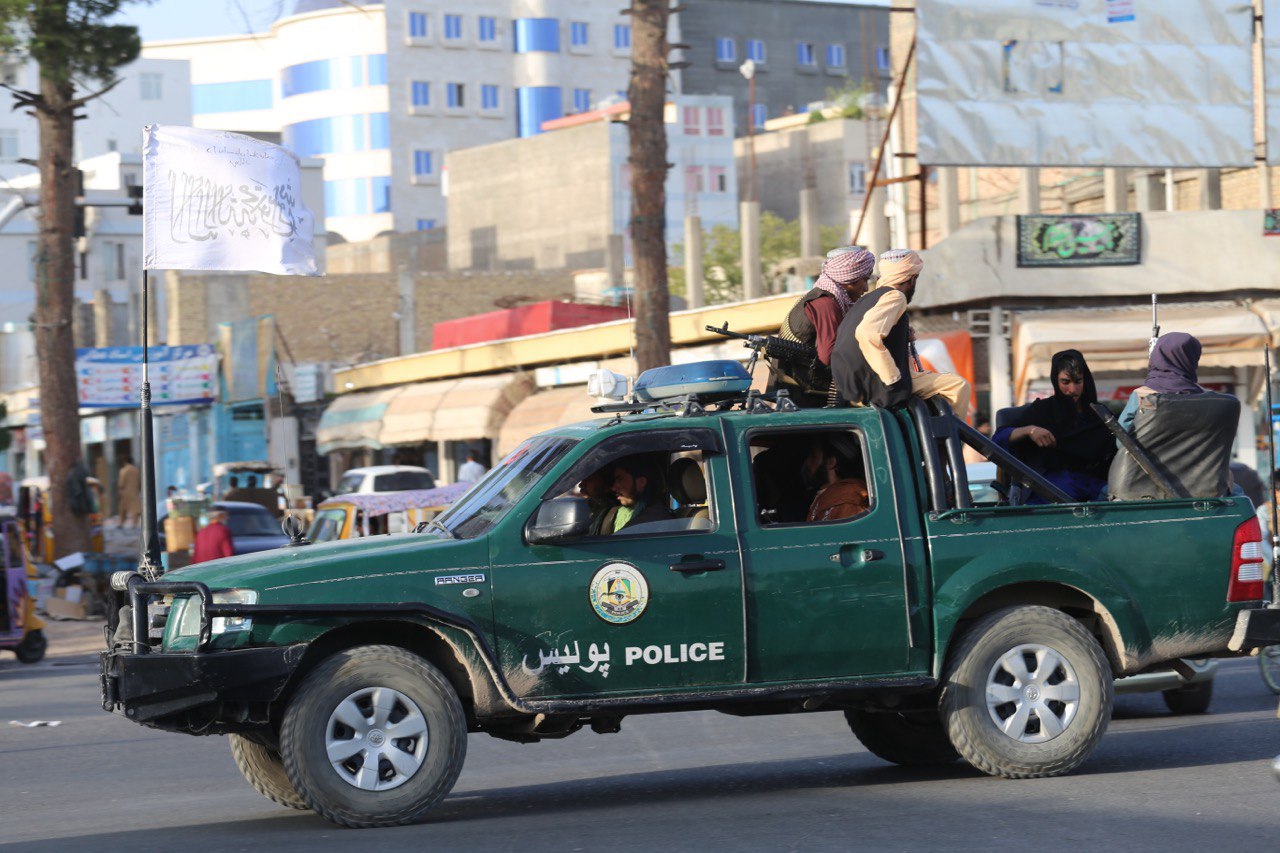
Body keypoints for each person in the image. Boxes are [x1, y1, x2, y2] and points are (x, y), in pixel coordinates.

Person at [830, 249, 971, 419]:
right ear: (911, 279)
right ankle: (951, 442)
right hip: (878, 383)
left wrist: (903, 335)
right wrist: (893, 378)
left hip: (854, 382)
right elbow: (867, 333)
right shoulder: (895, 297)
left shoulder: (868, 298)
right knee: (957, 386)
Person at [993, 350, 1114, 502]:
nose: (1072, 390)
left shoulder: (1099, 413)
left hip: (1095, 487)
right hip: (1052, 491)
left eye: (1078, 382)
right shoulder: (1042, 410)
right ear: (1055, 380)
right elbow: (999, 438)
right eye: (1065, 382)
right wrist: (1030, 431)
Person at [771, 245, 877, 405]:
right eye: (865, 279)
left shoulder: (822, 296)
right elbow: (830, 356)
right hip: (807, 397)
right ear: (848, 278)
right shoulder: (826, 304)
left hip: (802, 392)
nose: (866, 287)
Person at [1118, 332, 1208, 433]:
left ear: (1157, 355)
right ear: (1192, 358)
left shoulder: (1143, 395)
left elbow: (1122, 436)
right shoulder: (1207, 398)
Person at [803, 439, 870, 523]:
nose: (807, 462)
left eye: (813, 457)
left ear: (830, 462)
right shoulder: (828, 496)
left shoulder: (847, 500)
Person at [605, 457, 672, 534]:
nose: (613, 488)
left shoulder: (652, 521)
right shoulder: (632, 514)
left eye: (619, 479)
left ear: (641, 482)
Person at [578, 468, 619, 536]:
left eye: (588, 479)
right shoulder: (587, 508)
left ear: (607, 484)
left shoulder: (615, 513)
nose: (581, 485)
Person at [115, 456, 141, 527]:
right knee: (135, 509)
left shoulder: (123, 470)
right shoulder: (136, 470)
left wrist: (119, 492)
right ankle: (134, 523)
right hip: (134, 491)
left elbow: (121, 483)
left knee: (122, 509)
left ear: (125, 462)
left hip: (125, 492)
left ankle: (121, 523)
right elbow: (139, 481)